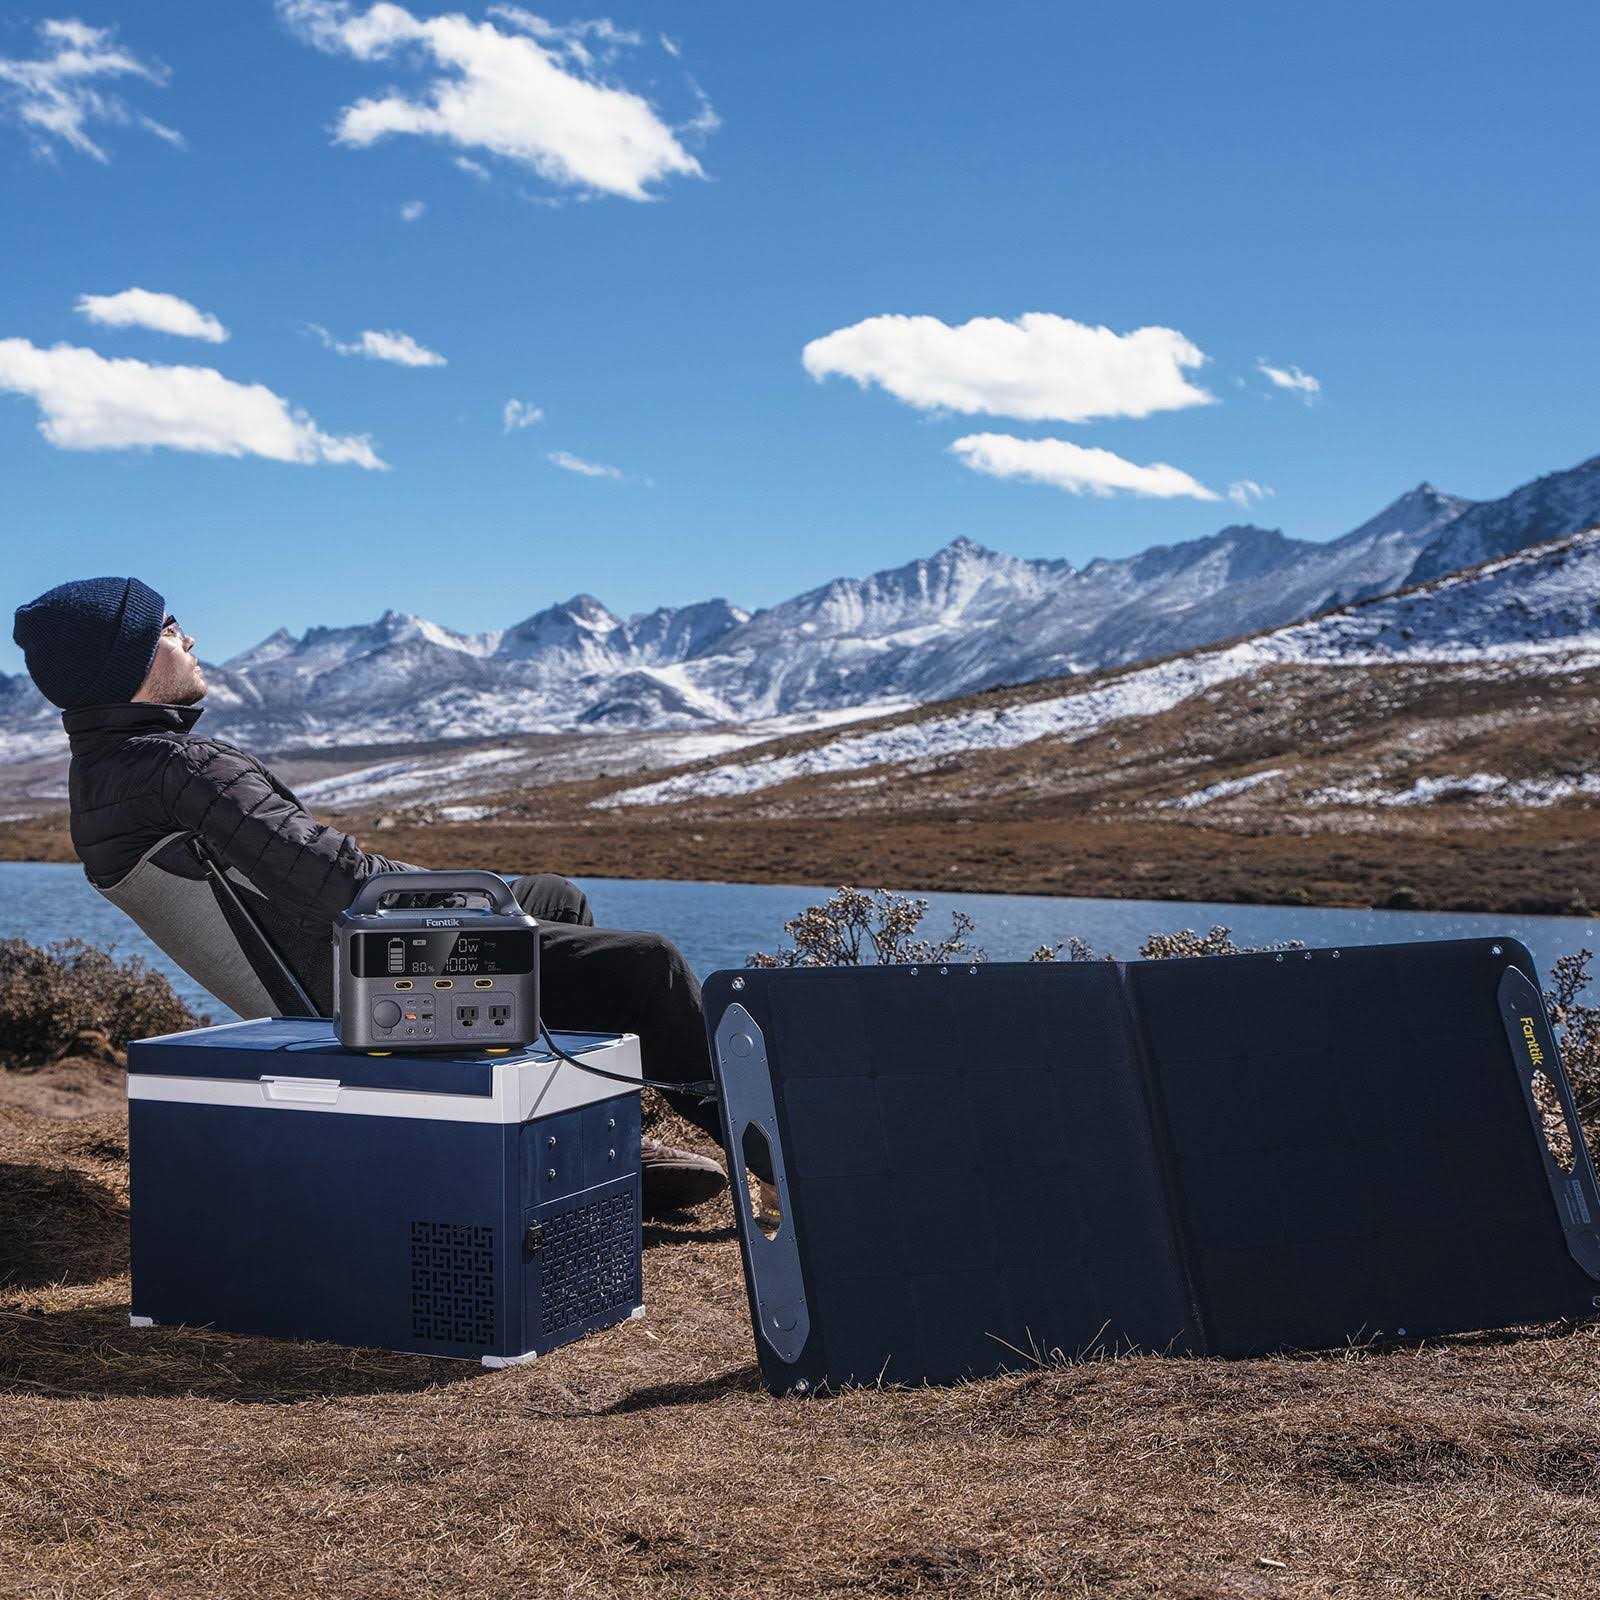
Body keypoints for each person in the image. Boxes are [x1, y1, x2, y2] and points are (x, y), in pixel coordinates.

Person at [11, 576, 729, 1218]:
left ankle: (588, 1141)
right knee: (647, 966)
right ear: (130, 661)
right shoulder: (180, 769)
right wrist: (481, 907)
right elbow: (348, 883)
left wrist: (504, 901)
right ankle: (775, 1160)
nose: (189, 639)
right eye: (170, 629)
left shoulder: (103, 775)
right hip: (371, 986)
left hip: (313, 980)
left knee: (554, 896)